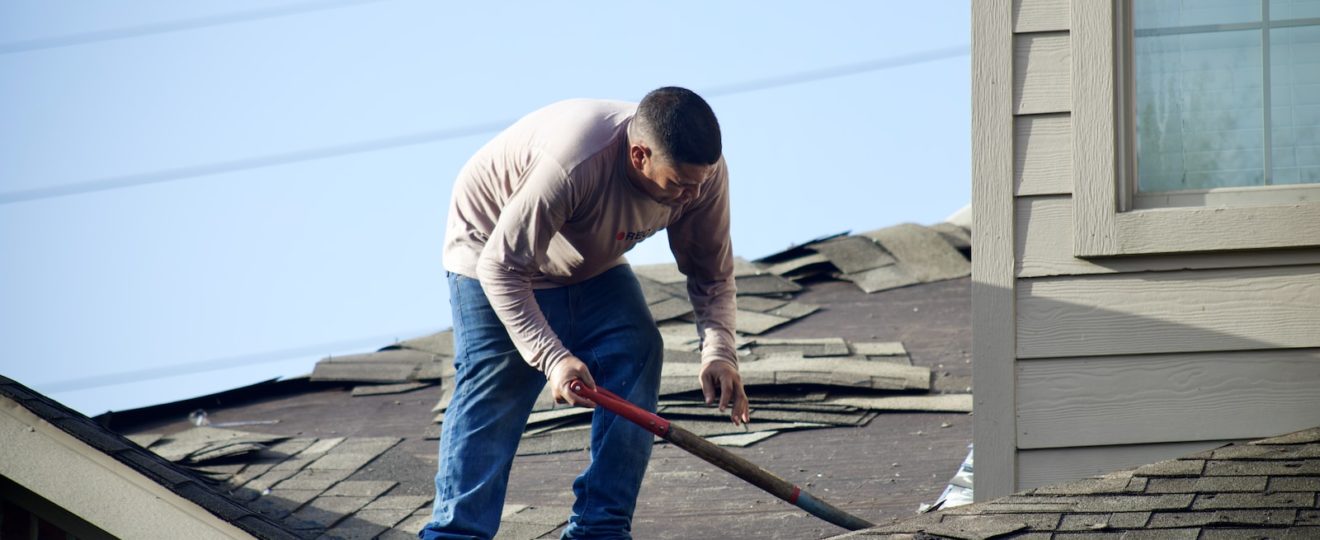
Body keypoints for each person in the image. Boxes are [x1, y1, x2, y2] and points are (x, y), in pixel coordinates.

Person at [420, 87, 750, 540]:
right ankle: (456, 534)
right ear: (639, 156)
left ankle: (600, 529)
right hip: (490, 251)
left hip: (586, 260)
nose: (690, 196)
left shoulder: (701, 178)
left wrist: (720, 352)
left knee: (636, 348)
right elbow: (500, 267)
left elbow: (711, 273)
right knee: (497, 385)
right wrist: (553, 357)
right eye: (677, 185)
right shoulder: (574, 162)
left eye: (698, 183)